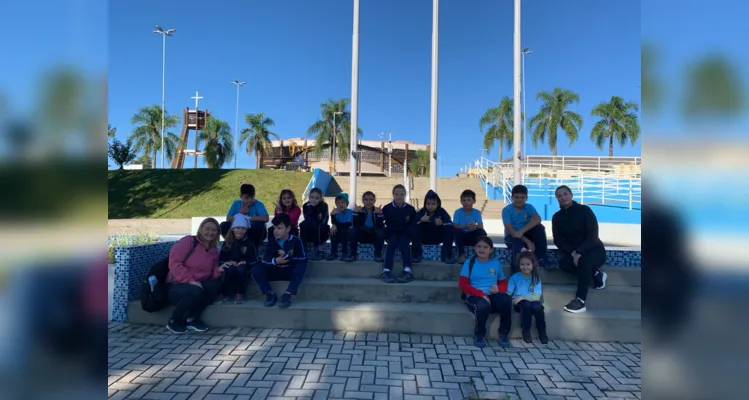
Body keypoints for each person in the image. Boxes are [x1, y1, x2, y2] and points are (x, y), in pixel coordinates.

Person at [551, 185, 608, 314]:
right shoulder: (557, 217)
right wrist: (572, 251)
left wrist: (580, 252)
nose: (563, 197)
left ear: (571, 195)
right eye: (559, 196)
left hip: (594, 250)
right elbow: (558, 240)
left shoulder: (585, 211)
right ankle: (596, 274)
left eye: (565, 194)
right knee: (563, 264)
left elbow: (593, 235)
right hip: (574, 253)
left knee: (584, 262)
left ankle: (580, 300)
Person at [166, 217, 227, 333]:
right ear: (201, 229)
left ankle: (192, 318)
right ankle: (174, 320)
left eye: (214, 230)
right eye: (207, 229)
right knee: (195, 290)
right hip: (177, 285)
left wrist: (219, 270)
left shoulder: (213, 251)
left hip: (197, 286)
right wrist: (190, 280)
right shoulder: (188, 241)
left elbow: (211, 274)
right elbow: (174, 263)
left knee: (214, 285)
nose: (210, 232)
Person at [458, 236, 512, 348]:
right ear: (475, 248)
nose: (481, 249)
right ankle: (480, 334)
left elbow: (503, 284)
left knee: (506, 300)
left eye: (485, 247)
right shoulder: (469, 263)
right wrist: (481, 294)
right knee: (482, 306)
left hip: (492, 296)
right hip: (474, 297)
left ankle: (504, 333)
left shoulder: (496, 263)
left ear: (491, 250)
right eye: (479, 246)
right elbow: (463, 284)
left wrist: (499, 289)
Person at [251, 213, 308, 308]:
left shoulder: (296, 241)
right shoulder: (272, 241)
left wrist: (288, 257)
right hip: (275, 270)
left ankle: (288, 294)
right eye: (274, 228)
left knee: (302, 265)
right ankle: (269, 294)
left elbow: (303, 258)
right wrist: (275, 261)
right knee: (255, 267)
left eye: (279, 228)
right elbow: (266, 259)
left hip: (289, 271)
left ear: (288, 229)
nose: (276, 231)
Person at [502, 185, 549, 272]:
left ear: (526, 198)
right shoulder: (507, 210)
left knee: (540, 228)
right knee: (517, 246)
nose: (519, 200)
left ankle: (542, 258)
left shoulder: (529, 207)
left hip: (525, 233)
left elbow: (537, 219)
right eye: (516, 197)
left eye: (522, 197)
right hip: (512, 236)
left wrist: (522, 231)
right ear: (512, 197)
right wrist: (528, 241)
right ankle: (516, 273)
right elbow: (511, 231)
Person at [508, 251, 548, 344]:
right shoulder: (515, 277)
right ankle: (526, 331)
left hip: (531, 301)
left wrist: (522, 297)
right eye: (522, 264)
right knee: (526, 305)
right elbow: (508, 292)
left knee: (538, 307)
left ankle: (542, 332)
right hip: (519, 303)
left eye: (528, 264)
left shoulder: (536, 278)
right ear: (519, 265)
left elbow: (537, 296)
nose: (525, 267)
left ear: (533, 264)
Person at [216, 215, 258, 305]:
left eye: (243, 228)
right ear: (233, 229)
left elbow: (254, 258)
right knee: (230, 269)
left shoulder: (249, 242)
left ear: (246, 230)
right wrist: (229, 261)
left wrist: (246, 261)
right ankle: (224, 292)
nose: (240, 230)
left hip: (243, 264)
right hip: (230, 263)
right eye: (238, 228)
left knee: (241, 269)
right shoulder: (227, 242)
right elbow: (222, 257)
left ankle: (239, 293)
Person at [381, 184, 418, 284]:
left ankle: (407, 271)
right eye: (397, 194)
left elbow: (413, 224)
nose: (399, 196)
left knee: (404, 243)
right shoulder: (387, 208)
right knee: (392, 242)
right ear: (393, 195)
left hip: (404, 233)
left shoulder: (410, 209)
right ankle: (386, 271)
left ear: (405, 195)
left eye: (402, 194)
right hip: (392, 233)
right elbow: (382, 223)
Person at [412, 190, 456, 264]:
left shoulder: (442, 212)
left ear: (437, 204)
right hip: (424, 237)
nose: (430, 206)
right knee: (415, 228)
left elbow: (450, 223)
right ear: (425, 204)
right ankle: (416, 255)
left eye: (433, 204)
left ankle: (446, 255)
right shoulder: (421, 212)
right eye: (428, 204)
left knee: (449, 228)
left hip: (437, 237)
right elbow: (413, 224)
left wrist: (442, 223)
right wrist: (421, 220)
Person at [347, 191, 385, 262]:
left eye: (371, 200)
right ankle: (352, 254)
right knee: (353, 230)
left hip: (373, 236)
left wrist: (379, 214)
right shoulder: (360, 210)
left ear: (374, 201)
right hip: (362, 235)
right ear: (363, 201)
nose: (368, 202)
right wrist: (355, 213)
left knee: (380, 232)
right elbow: (356, 224)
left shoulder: (378, 210)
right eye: (366, 200)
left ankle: (378, 254)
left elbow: (380, 226)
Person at [453, 190, 488, 263]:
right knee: (456, 231)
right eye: (464, 200)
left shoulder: (477, 212)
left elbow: (481, 226)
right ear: (461, 201)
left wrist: (475, 227)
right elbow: (455, 225)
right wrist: (464, 227)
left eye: (469, 200)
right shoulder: (457, 212)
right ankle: (461, 255)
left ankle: (481, 253)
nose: (466, 202)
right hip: (461, 237)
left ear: (474, 201)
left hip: (472, 237)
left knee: (481, 231)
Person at [300, 188, 330, 261]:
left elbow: (324, 219)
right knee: (303, 224)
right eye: (312, 197)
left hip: (322, 229)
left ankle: (320, 250)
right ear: (309, 197)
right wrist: (312, 207)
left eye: (317, 198)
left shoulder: (324, 205)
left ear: (320, 199)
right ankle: (302, 249)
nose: (314, 200)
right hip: (310, 228)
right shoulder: (306, 206)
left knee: (317, 225)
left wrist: (315, 208)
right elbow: (307, 217)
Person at [327, 193, 354, 261]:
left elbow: (348, 224)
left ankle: (344, 253)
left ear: (346, 204)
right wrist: (332, 216)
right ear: (336, 205)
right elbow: (334, 222)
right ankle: (333, 252)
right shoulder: (336, 212)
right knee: (332, 231)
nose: (340, 204)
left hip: (347, 234)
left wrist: (335, 225)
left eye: (343, 202)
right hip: (339, 233)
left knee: (343, 229)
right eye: (338, 203)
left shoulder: (349, 212)